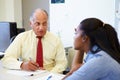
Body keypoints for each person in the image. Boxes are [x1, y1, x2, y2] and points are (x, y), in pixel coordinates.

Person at [1, 8, 67, 73]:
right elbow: (6, 59)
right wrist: (22, 65)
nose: (41, 28)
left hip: (49, 75)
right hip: (28, 75)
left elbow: (62, 63)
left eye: (44, 24)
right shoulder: (22, 37)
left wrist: (50, 74)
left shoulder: (56, 40)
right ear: (31, 23)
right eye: (37, 24)